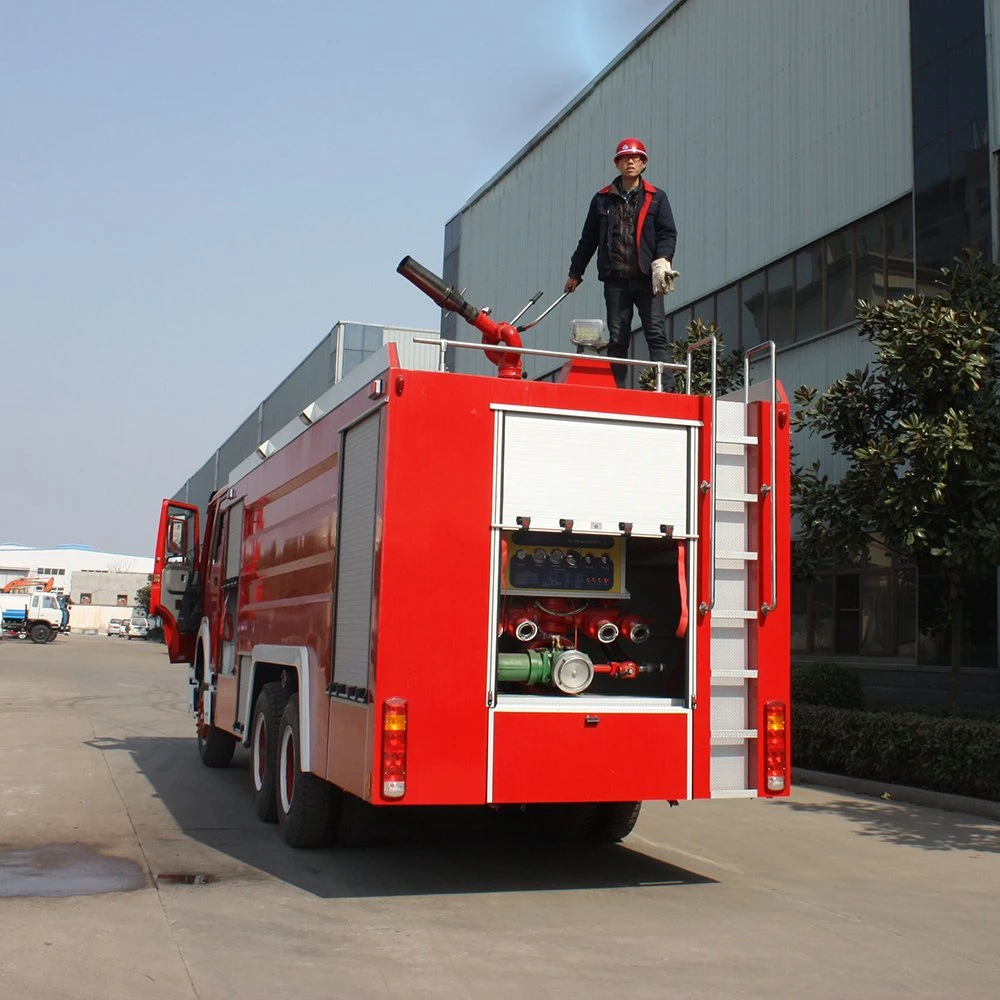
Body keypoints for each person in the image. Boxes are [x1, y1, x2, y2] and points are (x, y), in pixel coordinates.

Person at [564, 137, 678, 387]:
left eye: (636, 158)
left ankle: (668, 390)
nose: (630, 162)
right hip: (616, 281)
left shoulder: (656, 198)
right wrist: (575, 273)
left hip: (648, 279)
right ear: (617, 163)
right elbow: (588, 240)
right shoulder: (601, 200)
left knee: (656, 334)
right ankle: (617, 391)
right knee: (617, 338)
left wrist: (663, 260)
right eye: (625, 158)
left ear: (644, 163)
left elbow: (667, 233)